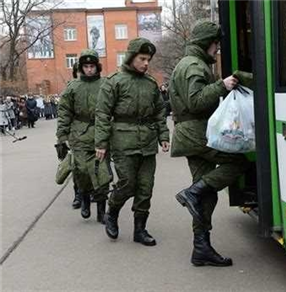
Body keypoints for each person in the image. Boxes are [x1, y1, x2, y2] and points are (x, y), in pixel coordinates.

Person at [169, 21, 250, 267]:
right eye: (215, 44)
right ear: (207, 43)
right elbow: (195, 102)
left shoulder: (192, 63)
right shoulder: (194, 66)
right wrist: (221, 85)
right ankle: (191, 193)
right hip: (197, 132)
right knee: (237, 163)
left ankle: (201, 248)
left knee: (206, 194)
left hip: (191, 133)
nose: (217, 49)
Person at [95, 37, 170, 246]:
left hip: (147, 141)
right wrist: (101, 143)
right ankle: (112, 212)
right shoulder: (114, 81)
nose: (146, 63)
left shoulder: (150, 84)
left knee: (146, 187)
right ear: (131, 58)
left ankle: (140, 229)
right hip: (122, 140)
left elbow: (159, 112)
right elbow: (102, 114)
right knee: (127, 184)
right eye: (142, 58)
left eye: (149, 59)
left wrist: (163, 135)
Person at [56, 49, 110, 223]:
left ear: (97, 67)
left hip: (100, 133)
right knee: (81, 173)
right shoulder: (73, 87)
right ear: (81, 67)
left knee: (102, 174)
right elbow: (64, 112)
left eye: (92, 66)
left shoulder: (106, 85)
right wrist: (62, 137)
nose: (89, 69)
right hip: (78, 135)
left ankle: (102, 211)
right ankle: (85, 201)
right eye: (85, 66)